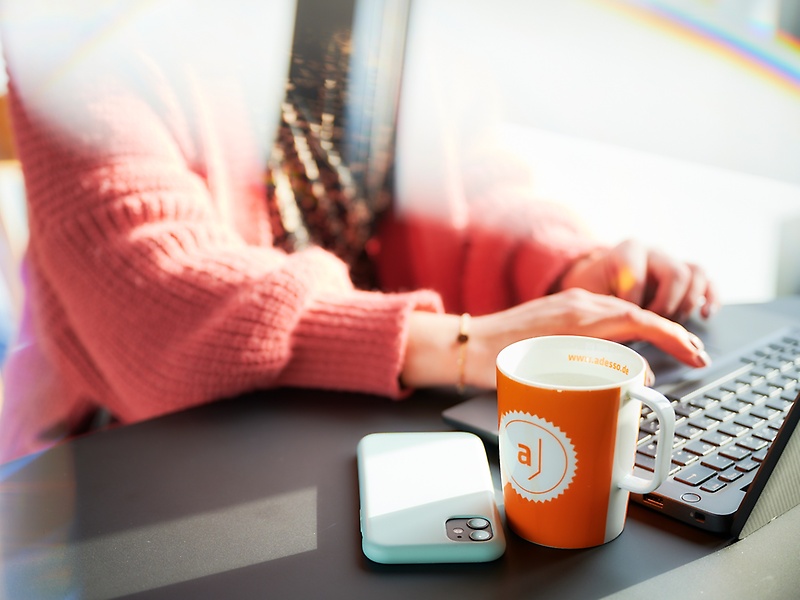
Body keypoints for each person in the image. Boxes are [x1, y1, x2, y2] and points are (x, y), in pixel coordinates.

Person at [0, 2, 716, 463]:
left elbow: (471, 182)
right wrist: (470, 343)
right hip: (126, 461)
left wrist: (569, 270)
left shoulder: (393, 19)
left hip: (363, 420)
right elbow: (156, 293)